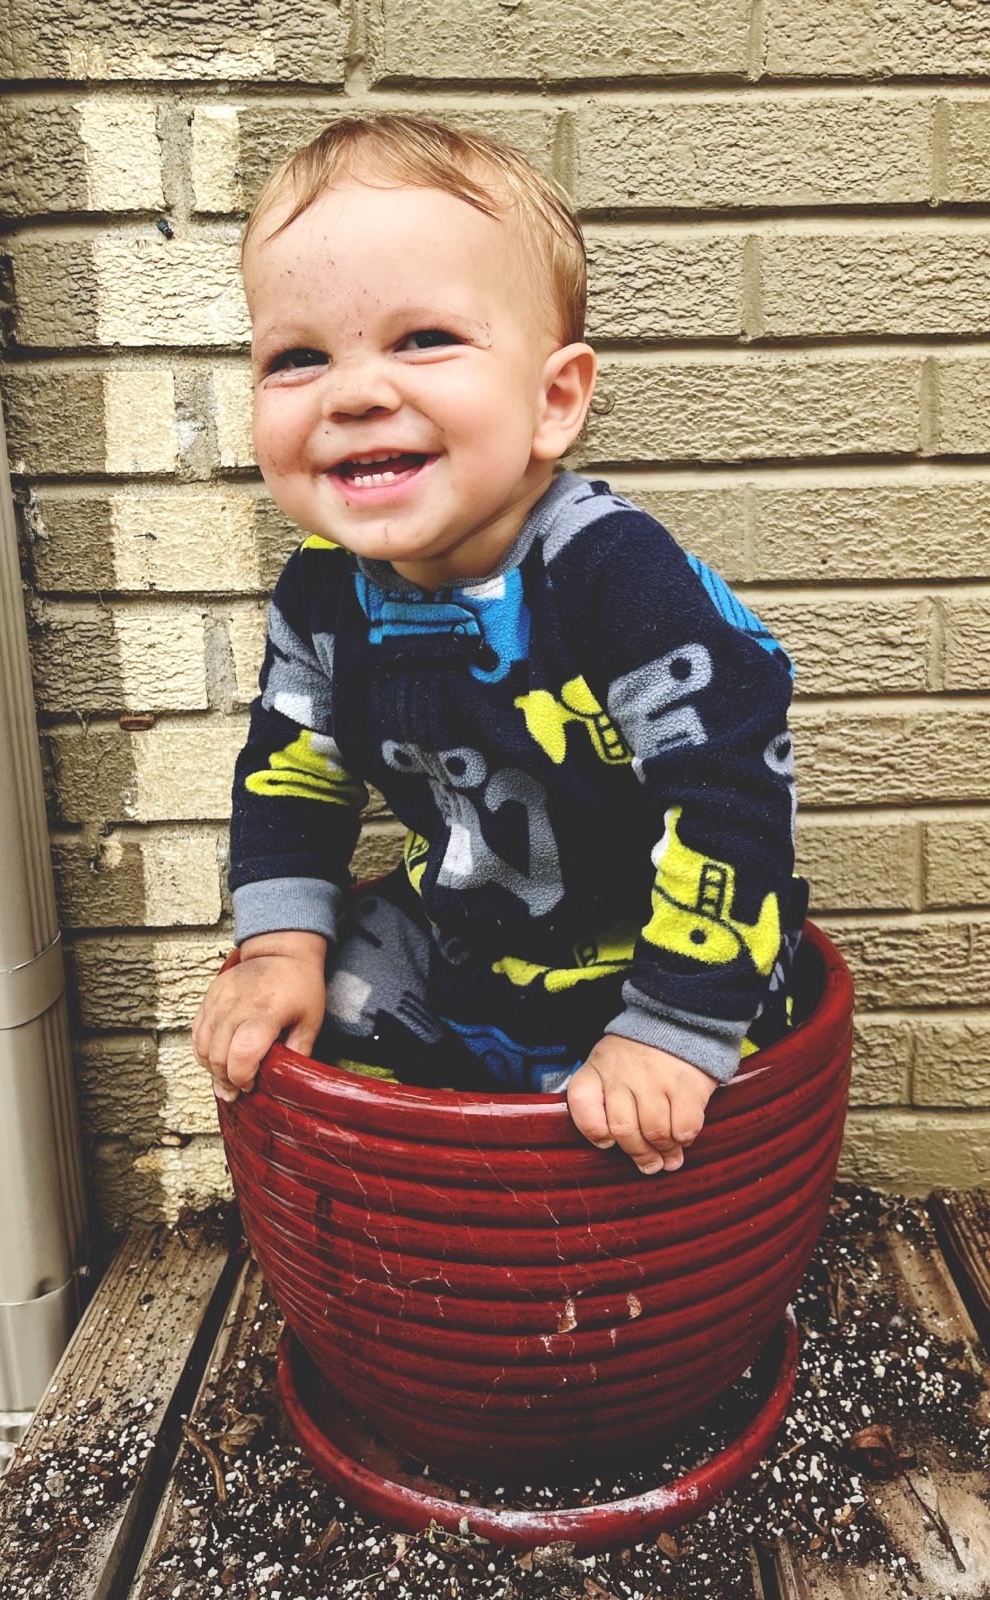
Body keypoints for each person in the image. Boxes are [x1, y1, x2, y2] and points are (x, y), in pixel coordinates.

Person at [192, 113, 808, 1177]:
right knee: (315, 1021)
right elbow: (294, 775)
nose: (355, 391)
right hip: (466, 937)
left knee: (689, 1100)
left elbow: (732, 795)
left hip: (654, 948)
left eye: (424, 339)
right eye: (296, 357)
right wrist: (280, 944)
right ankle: (412, 1247)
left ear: (553, 398)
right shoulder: (319, 588)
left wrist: (671, 1022)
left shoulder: (616, 578)